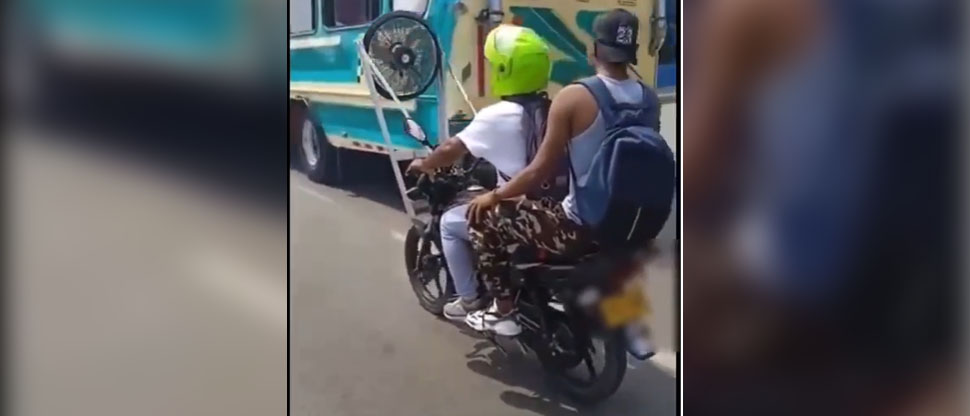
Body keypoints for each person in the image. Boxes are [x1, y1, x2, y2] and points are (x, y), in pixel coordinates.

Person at [464, 9, 660, 341]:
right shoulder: (650, 99)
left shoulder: (575, 96)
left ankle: (503, 309)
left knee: (483, 218)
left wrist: (494, 196)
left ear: (594, 50)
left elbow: (539, 169)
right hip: (631, 228)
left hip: (577, 229)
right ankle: (622, 316)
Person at [406, 25, 554, 320]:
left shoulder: (496, 116)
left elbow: (450, 149)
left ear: (504, 68)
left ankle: (470, 299)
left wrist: (424, 164)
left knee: (449, 223)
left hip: (521, 211)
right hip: (555, 208)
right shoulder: (552, 108)